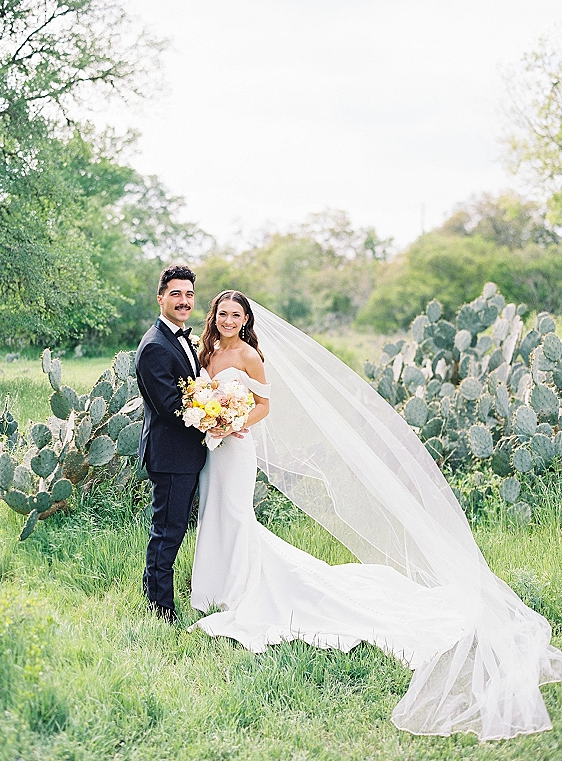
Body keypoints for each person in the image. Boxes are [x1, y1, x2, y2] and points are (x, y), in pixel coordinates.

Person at [188, 290, 562, 741]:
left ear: (246, 318)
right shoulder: (206, 349)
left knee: (235, 514)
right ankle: (214, 585)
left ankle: (239, 588)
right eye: (223, 313)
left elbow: (265, 404)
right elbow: (200, 392)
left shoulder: (249, 354)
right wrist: (209, 418)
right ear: (216, 317)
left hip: (237, 446)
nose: (229, 319)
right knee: (214, 513)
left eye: (236, 314)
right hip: (212, 448)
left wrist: (236, 419)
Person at [135, 265, 206, 623]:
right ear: (161, 298)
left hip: (184, 454)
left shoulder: (180, 338)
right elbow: (170, 407)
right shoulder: (155, 347)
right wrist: (217, 419)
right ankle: (160, 607)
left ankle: (152, 590)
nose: (183, 301)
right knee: (168, 529)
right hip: (171, 454)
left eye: (189, 294)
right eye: (175, 294)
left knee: (170, 526)